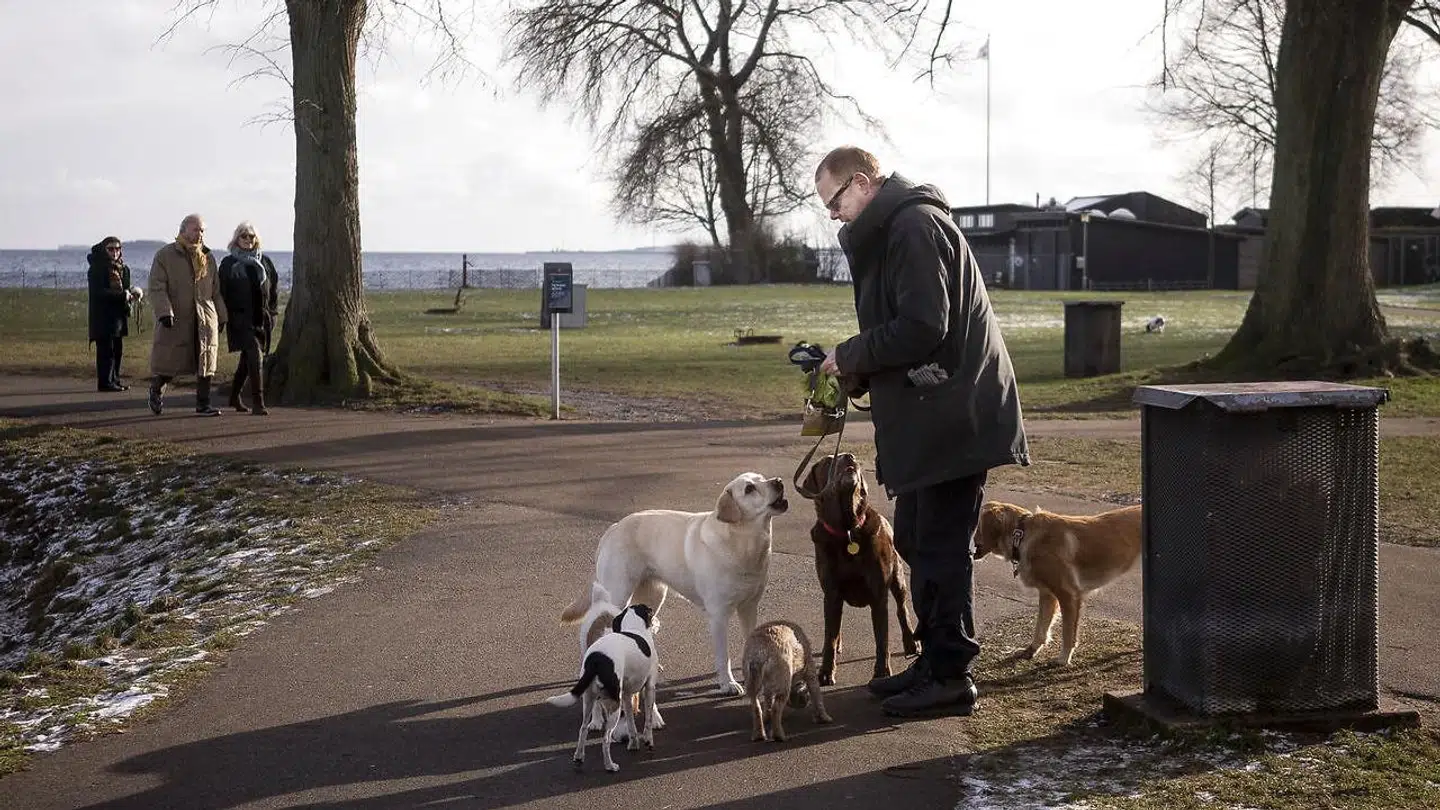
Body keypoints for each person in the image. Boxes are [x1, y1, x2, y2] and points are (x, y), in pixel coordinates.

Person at [813, 146, 1029, 718]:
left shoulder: (912, 226)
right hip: (936, 413)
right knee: (913, 536)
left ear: (862, 182)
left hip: (956, 416)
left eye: (835, 201)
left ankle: (951, 674)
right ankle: (934, 659)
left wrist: (853, 352)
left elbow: (922, 326)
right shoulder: (898, 228)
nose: (833, 215)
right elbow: (906, 329)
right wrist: (854, 367)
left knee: (937, 544)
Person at [147, 213, 228, 416]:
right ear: (183, 230)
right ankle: (156, 389)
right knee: (170, 362)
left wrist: (222, 315)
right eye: (195, 229)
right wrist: (164, 311)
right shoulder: (165, 255)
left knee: (206, 362)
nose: (199, 234)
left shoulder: (208, 257)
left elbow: (215, 290)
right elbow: (156, 287)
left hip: (205, 318)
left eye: (202, 230)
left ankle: (203, 404)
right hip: (176, 319)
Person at [218, 221, 279, 415]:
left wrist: (273, 313)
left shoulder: (265, 262)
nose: (247, 240)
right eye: (243, 236)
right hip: (239, 319)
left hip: (261, 319)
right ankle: (258, 402)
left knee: (247, 360)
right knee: (254, 355)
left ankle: (234, 396)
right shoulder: (228, 264)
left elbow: (273, 290)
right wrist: (223, 317)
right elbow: (222, 292)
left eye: (251, 236)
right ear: (236, 239)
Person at [86, 236, 142, 391]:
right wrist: (122, 295)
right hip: (103, 317)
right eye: (111, 249)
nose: (115, 252)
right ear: (104, 250)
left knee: (117, 350)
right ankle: (105, 382)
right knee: (106, 351)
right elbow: (98, 293)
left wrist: (132, 294)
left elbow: (125, 289)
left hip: (119, 317)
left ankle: (115, 379)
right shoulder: (97, 268)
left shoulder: (123, 268)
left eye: (118, 249)